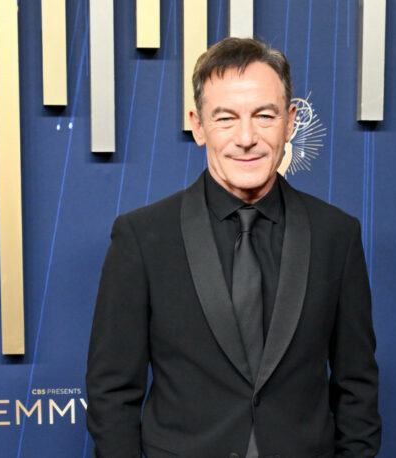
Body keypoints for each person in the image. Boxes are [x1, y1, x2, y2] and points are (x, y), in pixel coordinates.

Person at [86, 37, 381, 458]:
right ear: (198, 125)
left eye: (264, 116)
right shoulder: (142, 237)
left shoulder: (336, 235)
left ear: (290, 122)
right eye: (226, 118)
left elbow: (357, 387)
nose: (246, 138)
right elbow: (112, 393)